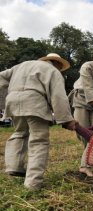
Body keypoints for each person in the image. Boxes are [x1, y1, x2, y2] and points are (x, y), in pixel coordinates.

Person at [0, 53, 76, 190]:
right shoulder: (53, 71)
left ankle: (14, 166)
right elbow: (59, 97)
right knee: (39, 140)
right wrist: (66, 119)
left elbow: (1, 77)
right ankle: (33, 183)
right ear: (57, 63)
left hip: (13, 100)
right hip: (34, 101)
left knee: (19, 132)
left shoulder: (22, 65)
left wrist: (9, 91)